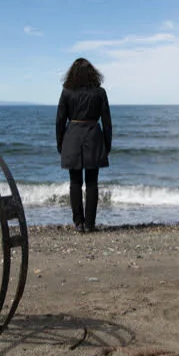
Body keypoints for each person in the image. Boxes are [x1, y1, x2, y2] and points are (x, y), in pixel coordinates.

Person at [56, 57, 112, 233]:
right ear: (93, 73)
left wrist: (60, 143)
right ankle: (90, 224)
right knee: (92, 182)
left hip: (72, 137)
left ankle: (78, 223)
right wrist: (107, 144)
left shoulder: (67, 92)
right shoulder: (100, 93)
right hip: (94, 137)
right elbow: (107, 122)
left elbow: (60, 120)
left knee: (75, 182)